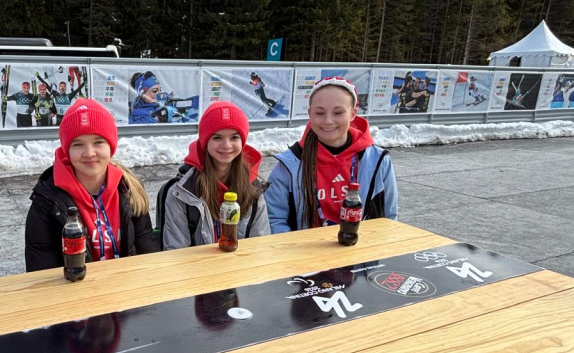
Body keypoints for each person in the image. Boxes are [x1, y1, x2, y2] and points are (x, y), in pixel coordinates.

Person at [25, 98, 159, 271]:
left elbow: (148, 255)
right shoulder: (47, 201)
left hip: (128, 285)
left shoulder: (129, 188)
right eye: (78, 144)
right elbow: (41, 270)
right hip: (74, 287)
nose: (89, 153)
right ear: (67, 150)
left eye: (98, 142)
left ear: (111, 145)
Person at [265, 77, 397, 233]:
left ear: (353, 114)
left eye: (338, 112)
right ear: (310, 113)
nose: (328, 121)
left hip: (363, 246)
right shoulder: (289, 164)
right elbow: (274, 220)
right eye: (320, 113)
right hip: (304, 248)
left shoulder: (378, 161)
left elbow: (389, 218)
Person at [160, 101, 270, 250]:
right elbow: (176, 252)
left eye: (234, 137)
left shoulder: (253, 189)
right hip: (196, 265)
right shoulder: (182, 192)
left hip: (242, 264)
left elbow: (260, 247)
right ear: (205, 141)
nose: (226, 145)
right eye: (217, 137)